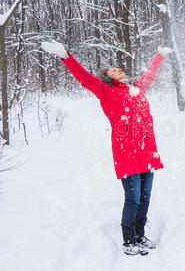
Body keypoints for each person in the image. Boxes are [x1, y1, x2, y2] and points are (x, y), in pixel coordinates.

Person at [41, 40, 172, 256]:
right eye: (114, 69)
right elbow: (84, 78)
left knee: (146, 196)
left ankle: (140, 235)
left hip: (147, 151)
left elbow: (150, 76)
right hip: (128, 154)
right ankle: (129, 240)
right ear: (108, 78)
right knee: (133, 198)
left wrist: (159, 56)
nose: (119, 69)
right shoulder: (106, 92)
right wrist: (66, 56)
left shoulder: (135, 89)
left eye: (118, 68)